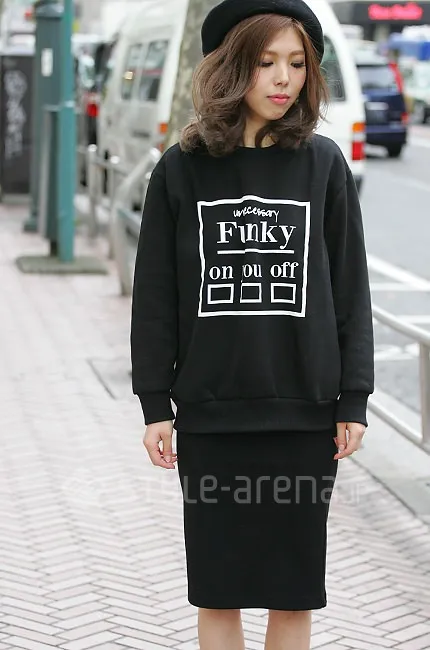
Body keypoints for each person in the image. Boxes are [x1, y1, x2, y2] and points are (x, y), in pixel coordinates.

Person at [130, 0, 375, 648]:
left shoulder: (324, 165)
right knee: (218, 592)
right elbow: (155, 297)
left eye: (296, 63)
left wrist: (354, 397)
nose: (283, 78)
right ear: (233, 67)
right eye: (266, 62)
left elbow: (350, 290)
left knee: (293, 595)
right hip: (212, 419)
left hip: (304, 419)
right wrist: (155, 404)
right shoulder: (181, 169)